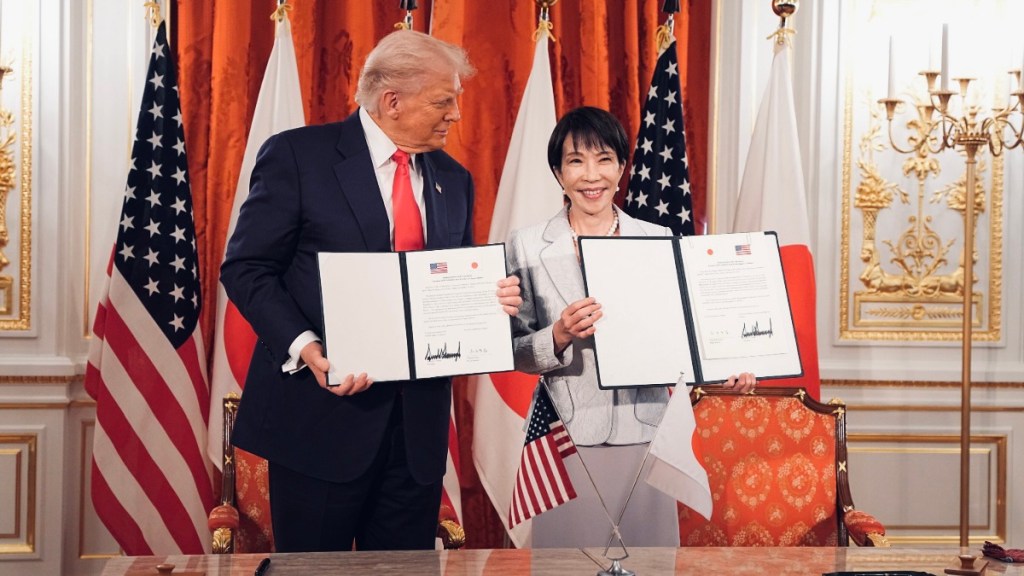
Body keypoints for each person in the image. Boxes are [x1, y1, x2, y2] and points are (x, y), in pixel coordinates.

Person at [220, 30, 521, 552]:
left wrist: (488, 301)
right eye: (443, 101)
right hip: (319, 424)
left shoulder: (454, 178)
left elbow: (448, 283)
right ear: (392, 101)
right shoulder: (298, 156)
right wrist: (307, 348)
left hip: (417, 437)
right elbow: (247, 268)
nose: (455, 115)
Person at [506, 106, 756, 548]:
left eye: (604, 159)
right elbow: (516, 351)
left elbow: (685, 335)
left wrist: (725, 369)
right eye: (576, 161)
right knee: (566, 565)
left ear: (622, 168)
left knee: (650, 563)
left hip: (647, 434)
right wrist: (559, 334)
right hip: (566, 437)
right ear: (558, 173)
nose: (591, 175)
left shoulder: (660, 239)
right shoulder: (526, 245)